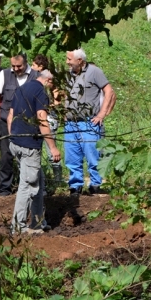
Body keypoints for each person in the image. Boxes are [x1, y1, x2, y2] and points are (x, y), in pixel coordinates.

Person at [8, 70, 61, 234]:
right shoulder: (40, 92)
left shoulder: (22, 88)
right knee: (28, 185)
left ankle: (38, 222)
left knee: (38, 180)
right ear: (49, 80)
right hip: (29, 146)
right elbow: (41, 119)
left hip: (16, 142)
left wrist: (13, 136)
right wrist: (52, 147)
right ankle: (18, 226)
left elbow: (10, 115)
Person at [63, 49, 115, 196]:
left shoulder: (94, 71)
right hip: (71, 123)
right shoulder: (69, 74)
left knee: (92, 155)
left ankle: (95, 185)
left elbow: (109, 91)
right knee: (72, 156)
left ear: (80, 60)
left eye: (69, 59)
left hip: (88, 122)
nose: (67, 62)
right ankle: (75, 186)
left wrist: (102, 114)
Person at [0, 53, 39, 196]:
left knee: (29, 156)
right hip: (6, 122)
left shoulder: (36, 76)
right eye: (13, 66)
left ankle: (28, 187)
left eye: (19, 66)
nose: (16, 69)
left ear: (26, 63)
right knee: (6, 156)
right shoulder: (5, 74)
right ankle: (5, 189)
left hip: (29, 124)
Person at [29, 54, 63, 187]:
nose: (31, 67)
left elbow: (57, 96)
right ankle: (44, 181)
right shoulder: (34, 79)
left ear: (41, 67)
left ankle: (58, 181)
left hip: (49, 118)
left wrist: (48, 107)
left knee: (51, 151)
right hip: (38, 117)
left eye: (34, 65)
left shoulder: (48, 78)